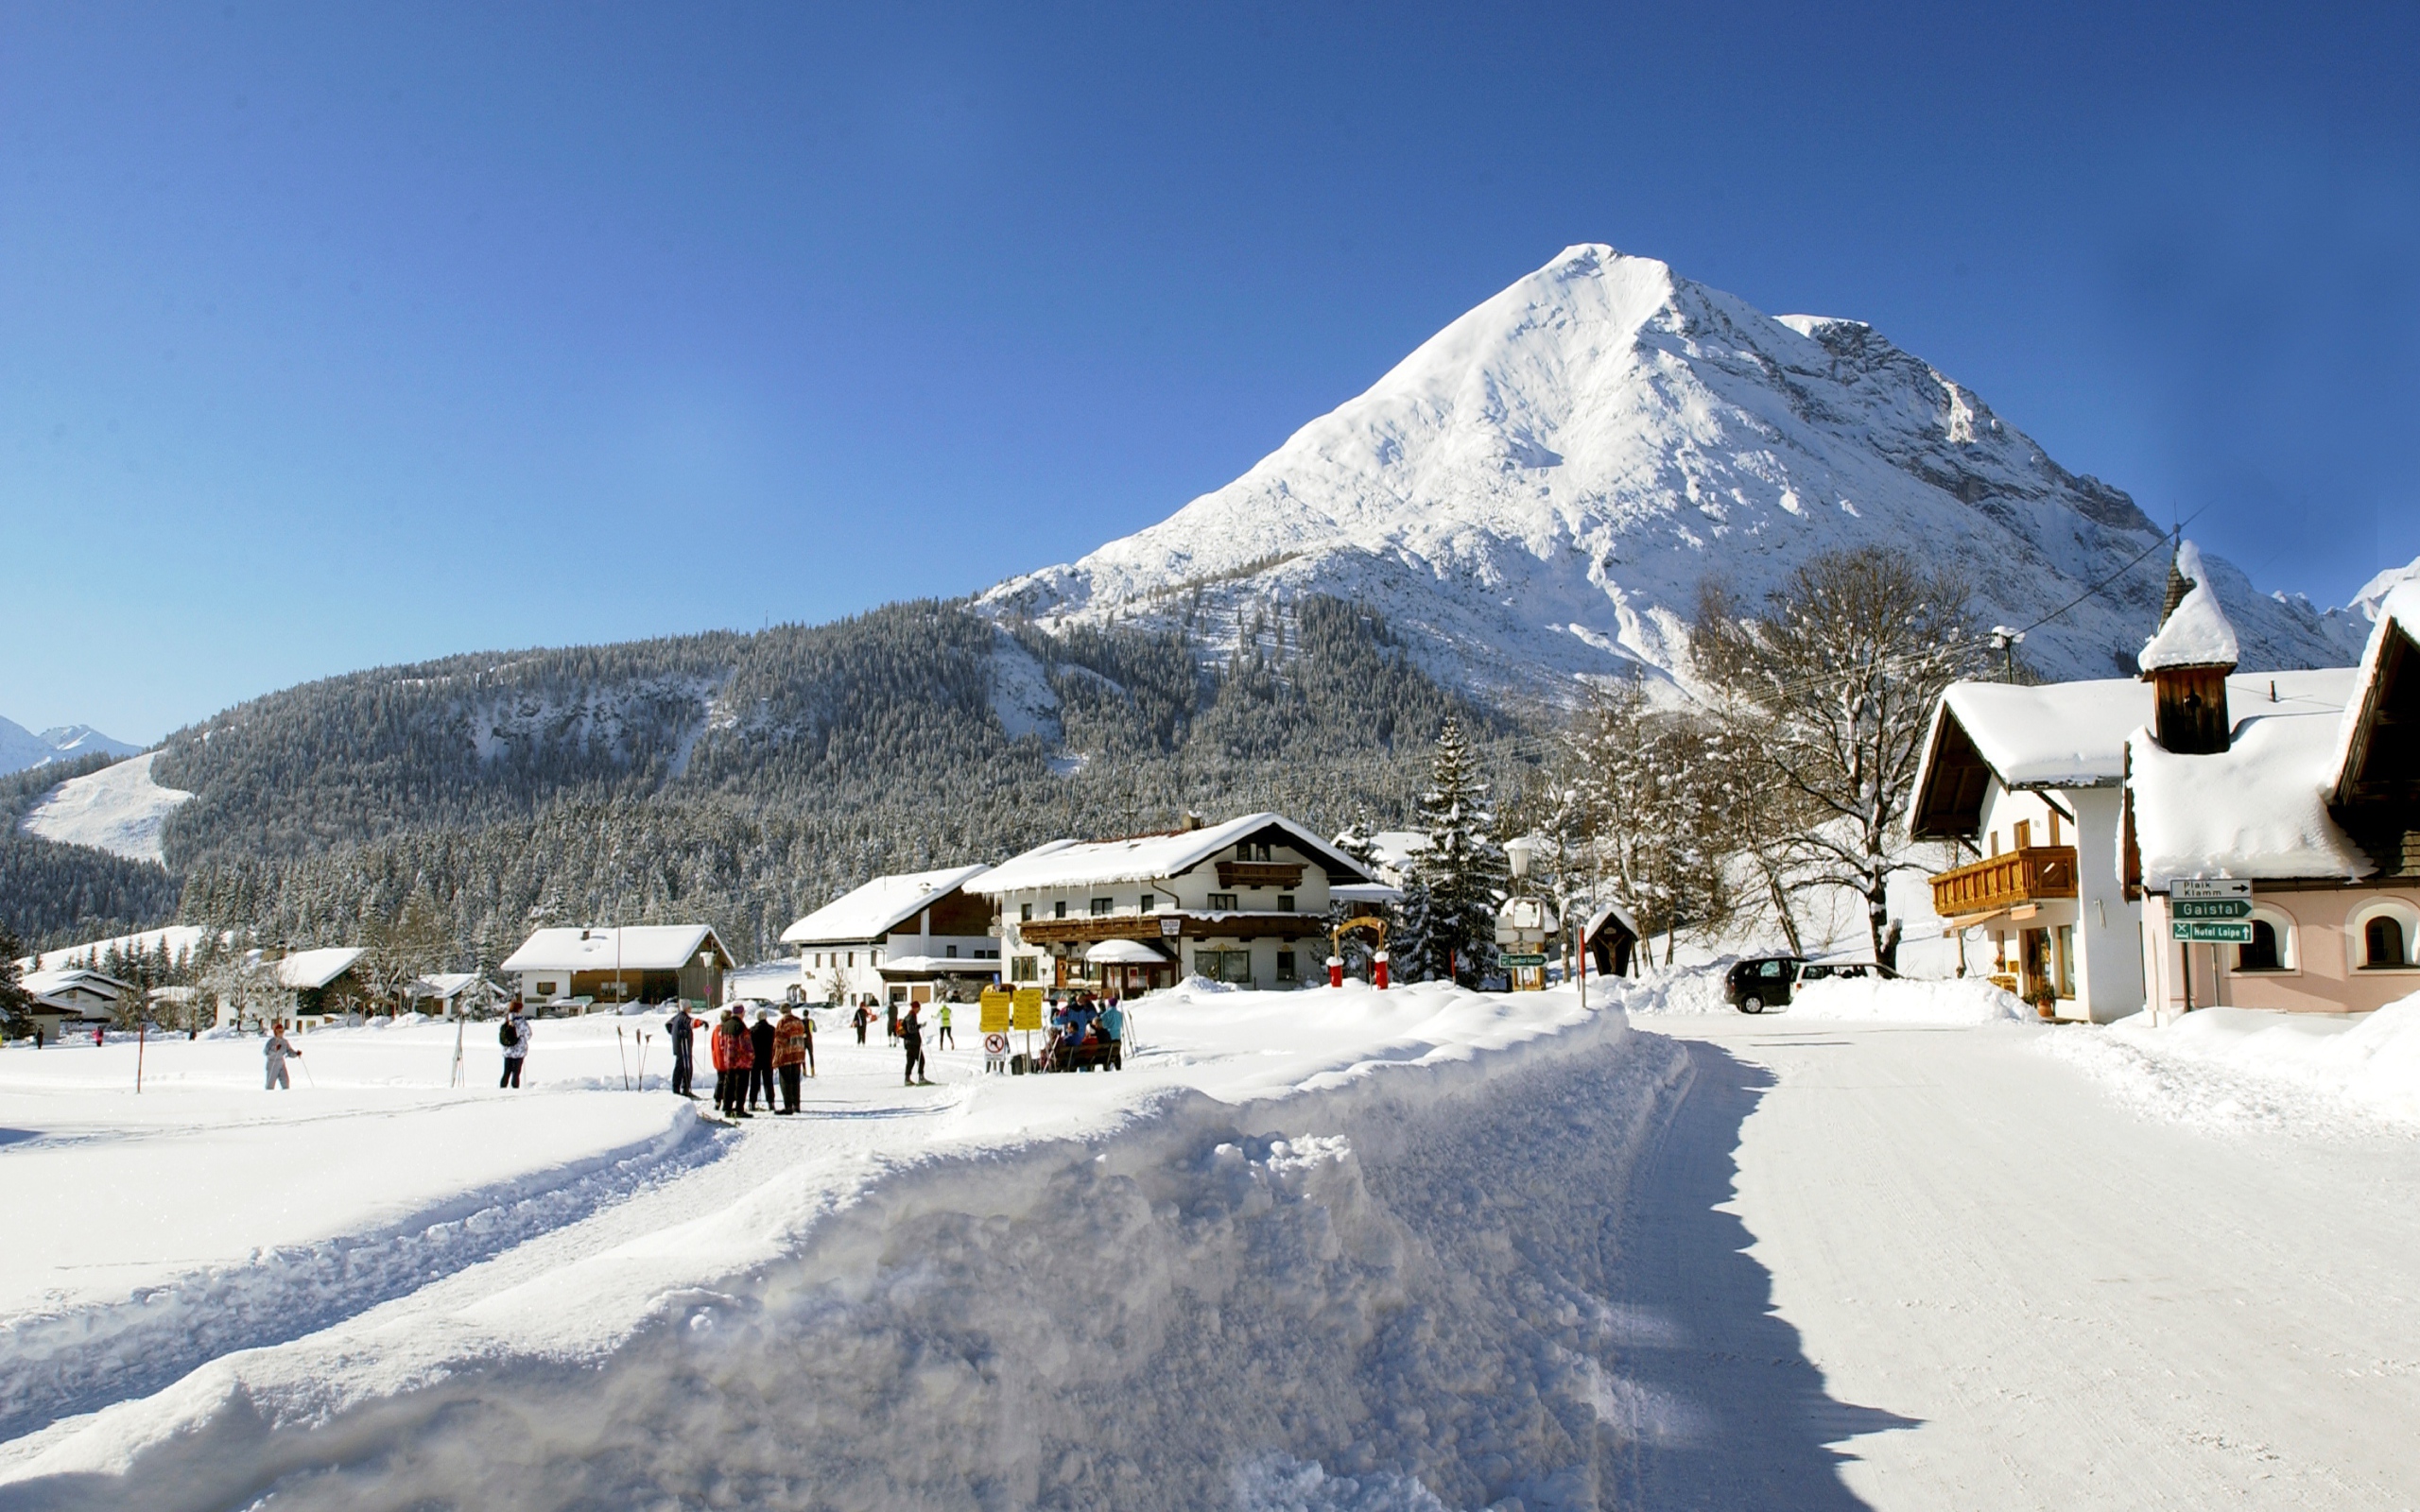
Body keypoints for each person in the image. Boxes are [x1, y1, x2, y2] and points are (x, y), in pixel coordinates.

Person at [711, 1009, 753, 1118]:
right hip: (741, 1061)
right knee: (741, 1085)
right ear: (741, 1013)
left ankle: (727, 1108)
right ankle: (739, 1109)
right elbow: (746, 1045)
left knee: (728, 1084)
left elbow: (721, 1044)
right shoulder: (741, 1026)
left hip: (729, 1060)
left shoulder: (724, 1027)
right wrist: (751, 1057)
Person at [772, 1005, 807, 1113]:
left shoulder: (782, 1023)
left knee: (786, 1080)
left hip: (786, 1054)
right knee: (795, 1080)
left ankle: (788, 1106)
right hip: (798, 1053)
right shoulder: (799, 1021)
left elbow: (779, 1040)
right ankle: (797, 1105)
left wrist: (775, 1055)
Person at [665, 1003, 699, 1098]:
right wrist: (702, 1023)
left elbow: (668, 1025)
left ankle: (678, 1088)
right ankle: (684, 1089)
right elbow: (692, 1023)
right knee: (686, 1068)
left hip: (679, 1047)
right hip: (684, 1047)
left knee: (679, 1067)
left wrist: (674, 1033)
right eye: (690, 1007)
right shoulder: (684, 1017)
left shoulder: (676, 1017)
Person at [749, 1008, 777, 1111]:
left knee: (754, 1082)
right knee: (768, 1082)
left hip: (755, 1059)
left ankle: (752, 1102)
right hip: (768, 1058)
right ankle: (771, 1102)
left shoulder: (752, 1030)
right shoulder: (772, 1029)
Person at [500, 1001, 531, 1089]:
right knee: (516, 1073)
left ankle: (502, 1089)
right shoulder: (521, 1022)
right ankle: (515, 1090)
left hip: (507, 1050)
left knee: (506, 1072)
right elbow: (528, 1034)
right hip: (519, 1051)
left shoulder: (505, 1020)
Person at [264, 1020, 300, 1091]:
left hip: (281, 1063)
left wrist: (296, 1054)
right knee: (270, 1085)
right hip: (272, 1064)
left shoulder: (284, 1042)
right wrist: (275, 1049)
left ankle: (285, 1097)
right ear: (275, 1032)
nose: (281, 1033)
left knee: (285, 1082)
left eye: (282, 1031)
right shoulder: (271, 1042)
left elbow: (289, 1052)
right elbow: (266, 1052)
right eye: (279, 1031)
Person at [900, 1002, 928, 1086]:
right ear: (915, 1008)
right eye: (919, 1008)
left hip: (909, 1042)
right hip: (913, 1042)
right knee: (921, 1060)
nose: (919, 1010)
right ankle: (921, 1077)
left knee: (910, 1061)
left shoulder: (910, 1016)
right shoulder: (911, 1016)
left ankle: (907, 1079)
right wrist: (919, 1026)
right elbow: (911, 1029)